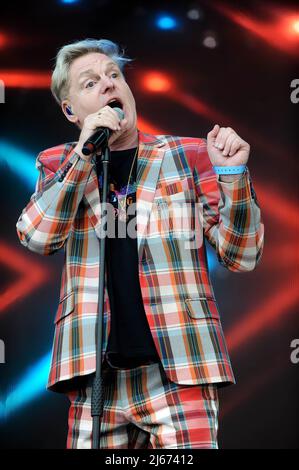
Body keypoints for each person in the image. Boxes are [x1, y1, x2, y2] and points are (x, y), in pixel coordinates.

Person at [16, 38, 264, 449]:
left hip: (181, 364)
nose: (109, 85)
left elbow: (242, 255)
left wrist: (234, 177)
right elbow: (38, 236)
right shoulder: (57, 163)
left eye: (115, 76)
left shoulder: (187, 155)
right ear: (71, 111)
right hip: (94, 373)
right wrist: (83, 156)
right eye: (91, 82)